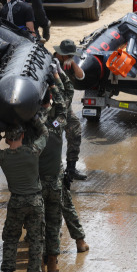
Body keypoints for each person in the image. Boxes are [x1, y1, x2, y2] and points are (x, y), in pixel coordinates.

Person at [0, 117, 48, 272]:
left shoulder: (3, 156)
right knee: (36, 239)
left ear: (7, 139)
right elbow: (45, 133)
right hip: (35, 201)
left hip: (16, 203)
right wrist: (35, 119)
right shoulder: (33, 151)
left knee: (11, 238)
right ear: (22, 135)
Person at [37, 67, 68, 272]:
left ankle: (39, 260)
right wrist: (54, 86)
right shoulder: (56, 126)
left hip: (37, 185)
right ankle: (53, 263)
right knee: (54, 223)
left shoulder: (34, 129)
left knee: (39, 225)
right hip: (55, 185)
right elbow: (63, 108)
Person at [53, 39, 87, 181]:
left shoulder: (70, 63)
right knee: (52, 137)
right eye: (69, 56)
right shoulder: (50, 64)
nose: (71, 58)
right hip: (53, 111)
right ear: (61, 55)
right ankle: (53, 170)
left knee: (75, 131)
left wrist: (73, 63)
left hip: (66, 109)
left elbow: (81, 76)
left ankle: (71, 169)